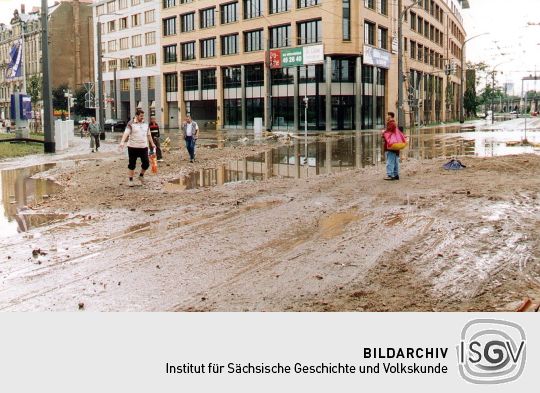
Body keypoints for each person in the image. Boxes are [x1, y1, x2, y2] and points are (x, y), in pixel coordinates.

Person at [119, 108, 156, 187]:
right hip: (132, 147)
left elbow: (148, 135)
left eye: (143, 116)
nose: (142, 118)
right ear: (136, 116)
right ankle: (130, 180)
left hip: (143, 147)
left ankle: (141, 176)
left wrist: (152, 144)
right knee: (132, 164)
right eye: (141, 116)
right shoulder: (131, 123)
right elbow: (126, 133)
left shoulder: (146, 124)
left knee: (146, 163)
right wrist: (122, 142)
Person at [382, 112, 400, 181]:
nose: (386, 117)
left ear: (390, 116)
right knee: (395, 161)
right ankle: (395, 174)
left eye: (387, 115)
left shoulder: (391, 124)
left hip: (391, 145)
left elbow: (387, 134)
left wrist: (383, 133)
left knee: (390, 160)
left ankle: (390, 175)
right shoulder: (394, 123)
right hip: (395, 145)